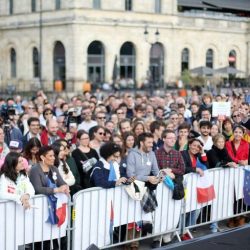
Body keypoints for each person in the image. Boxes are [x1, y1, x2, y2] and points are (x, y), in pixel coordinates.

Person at [29, 146, 69, 250]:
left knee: (55, 234)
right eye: (50, 156)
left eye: (53, 156)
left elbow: (62, 182)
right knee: (42, 237)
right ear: (42, 157)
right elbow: (37, 189)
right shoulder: (35, 170)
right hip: (41, 208)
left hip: (54, 206)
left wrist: (65, 188)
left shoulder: (54, 168)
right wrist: (55, 190)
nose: (53, 158)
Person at [154, 129, 185, 247]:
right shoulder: (156, 153)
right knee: (158, 212)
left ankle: (167, 237)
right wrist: (164, 172)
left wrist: (171, 171)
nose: (173, 140)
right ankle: (156, 238)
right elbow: (154, 169)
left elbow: (182, 169)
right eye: (170, 137)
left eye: (174, 138)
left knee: (171, 212)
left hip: (172, 188)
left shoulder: (177, 153)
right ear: (163, 139)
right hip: (160, 188)